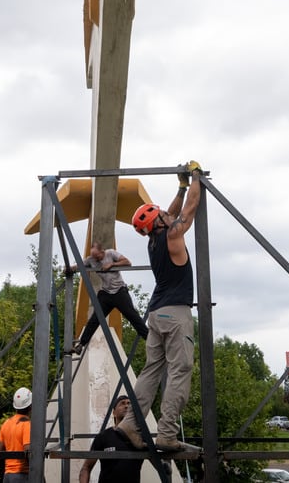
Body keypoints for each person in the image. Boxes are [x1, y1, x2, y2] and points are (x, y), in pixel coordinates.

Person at [116, 161, 204, 453]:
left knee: (151, 370)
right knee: (180, 369)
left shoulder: (155, 240)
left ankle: (130, 423)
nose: (168, 213)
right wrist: (195, 178)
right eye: (163, 214)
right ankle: (166, 433)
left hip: (156, 313)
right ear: (158, 221)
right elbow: (189, 209)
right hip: (176, 313)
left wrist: (179, 186)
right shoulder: (173, 235)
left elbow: (172, 211)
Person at [73, 241, 149, 355]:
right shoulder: (91, 259)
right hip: (106, 294)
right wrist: (69, 268)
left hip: (119, 292)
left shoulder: (111, 253)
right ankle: (81, 345)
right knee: (95, 319)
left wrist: (112, 264)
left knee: (132, 316)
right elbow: (78, 265)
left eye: (97, 256)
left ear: (102, 251)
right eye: (93, 257)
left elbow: (128, 262)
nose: (96, 259)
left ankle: (150, 340)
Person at [78, 396, 143, 483]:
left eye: (129, 404)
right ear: (114, 413)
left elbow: (159, 463)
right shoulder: (103, 437)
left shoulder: (140, 437)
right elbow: (86, 468)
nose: (127, 406)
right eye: (122, 403)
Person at [0, 387, 33, 483]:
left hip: (7, 476)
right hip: (22, 475)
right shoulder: (26, 424)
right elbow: (28, 450)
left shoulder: (6, 423)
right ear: (30, 406)